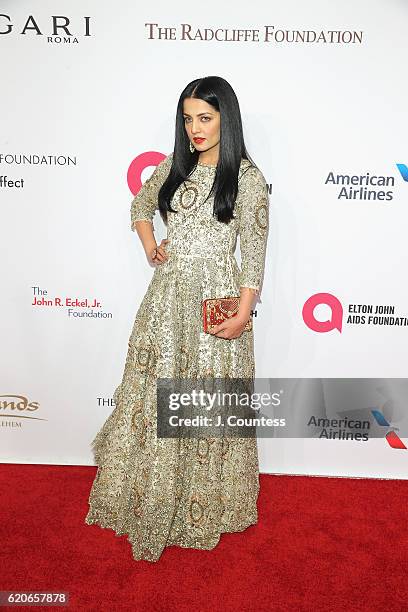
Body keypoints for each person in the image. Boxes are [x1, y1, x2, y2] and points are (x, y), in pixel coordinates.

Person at [85, 75, 270, 562]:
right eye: (188, 119)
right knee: (158, 393)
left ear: (226, 118)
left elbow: (253, 249)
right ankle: (151, 495)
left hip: (218, 298)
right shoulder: (173, 166)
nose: (195, 128)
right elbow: (141, 204)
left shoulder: (247, 178)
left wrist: (245, 309)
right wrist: (151, 245)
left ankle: (208, 501)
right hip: (167, 299)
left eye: (205, 118)